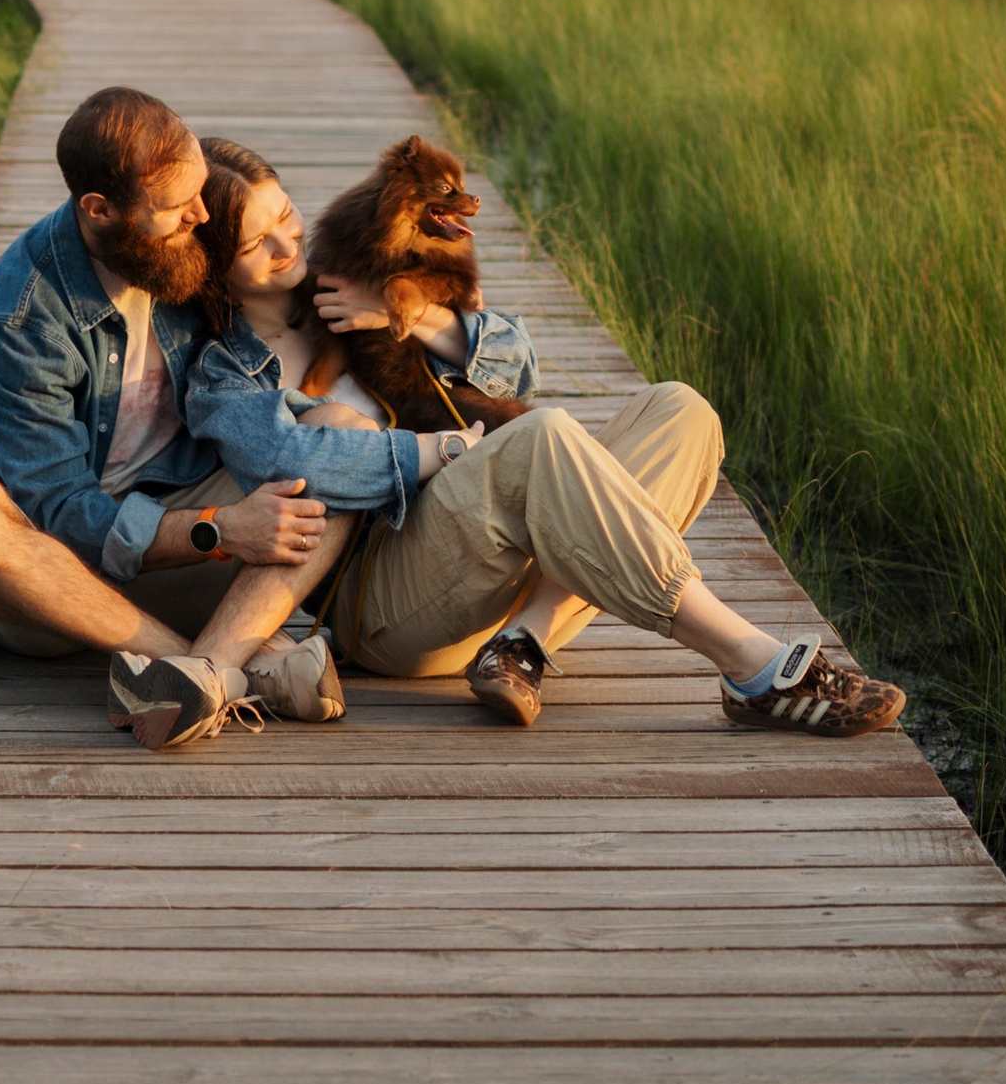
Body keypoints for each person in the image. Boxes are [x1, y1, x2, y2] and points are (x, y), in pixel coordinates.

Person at [187, 138, 906, 736]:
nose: (288, 243)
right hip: (389, 604)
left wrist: (412, 317)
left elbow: (518, 360)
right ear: (213, 263)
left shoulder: (360, 279)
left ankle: (522, 641)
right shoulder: (225, 370)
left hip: (494, 566)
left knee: (681, 411)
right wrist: (449, 453)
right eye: (257, 242)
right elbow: (297, 463)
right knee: (544, 439)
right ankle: (752, 662)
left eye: (287, 215)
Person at [0, 84, 359, 752]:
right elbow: (62, 512)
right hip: (56, 581)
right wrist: (219, 528)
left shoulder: (189, 241)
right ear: (100, 209)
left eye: (201, 191)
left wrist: (424, 315)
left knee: (340, 433)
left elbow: (291, 280)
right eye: (178, 207)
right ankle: (229, 670)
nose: (202, 216)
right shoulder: (23, 314)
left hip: (179, 544)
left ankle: (198, 675)